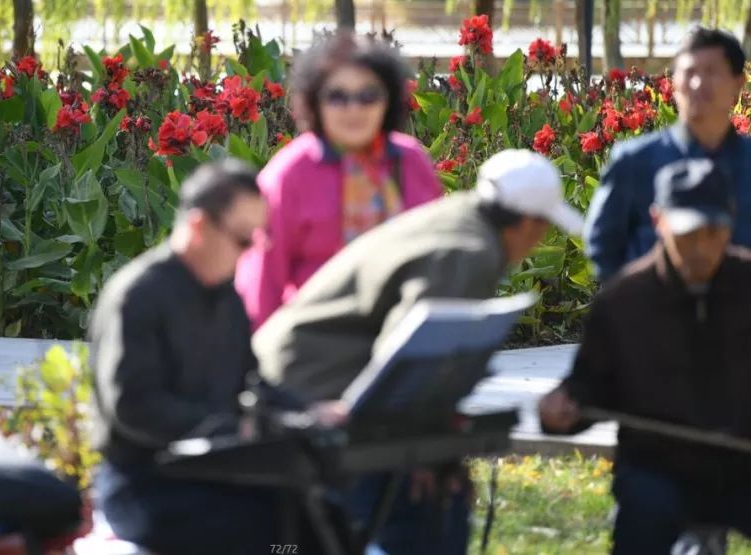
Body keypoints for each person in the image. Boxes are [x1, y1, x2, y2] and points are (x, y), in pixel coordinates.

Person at [254, 149, 584, 555]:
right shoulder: (470, 252)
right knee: (421, 510)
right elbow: (413, 356)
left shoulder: (458, 217)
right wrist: (424, 453)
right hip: (311, 384)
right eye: (543, 229)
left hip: (302, 368)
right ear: (529, 224)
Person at [540, 158, 751, 555]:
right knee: (643, 532)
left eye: (713, 231)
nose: (701, 248)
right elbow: (588, 389)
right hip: (659, 475)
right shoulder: (623, 300)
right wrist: (559, 413)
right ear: (659, 221)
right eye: (687, 233)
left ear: (731, 221)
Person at [89, 159, 342, 555]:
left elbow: (251, 381)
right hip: (146, 482)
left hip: (215, 472)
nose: (250, 253)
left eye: (258, 240)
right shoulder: (138, 295)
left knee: (329, 520)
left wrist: (313, 412)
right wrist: (225, 429)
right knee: (270, 536)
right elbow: (133, 406)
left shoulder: (227, 297)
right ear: (198, 226)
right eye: (244, 240)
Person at [236, 32, 442, 331]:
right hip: (315, 344)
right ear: (314, 101)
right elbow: (263, 279)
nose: (353, 109)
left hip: (404, 338)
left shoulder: (411, 161)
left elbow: (437, 254)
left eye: (368, 95)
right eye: (337, 96)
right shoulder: (291, 173)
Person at [583, 27, 751, 283]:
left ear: (738, 83)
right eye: (689, 72)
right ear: (674, 82)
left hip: (740, 318)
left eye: (711, 72)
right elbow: (602, 248)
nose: (697, 83)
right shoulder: (633, 162)